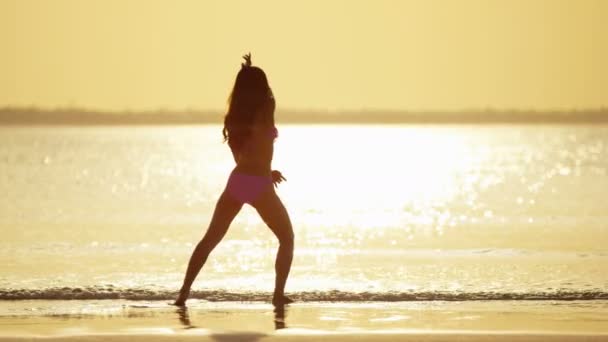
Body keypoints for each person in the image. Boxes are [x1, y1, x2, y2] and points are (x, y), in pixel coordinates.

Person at [174, 53, 294, 307]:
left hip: (239, 181)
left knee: (210, 239)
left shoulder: (234, 118)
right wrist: (265, 171)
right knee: (287, 238)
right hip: (259, 185)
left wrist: (267, 170)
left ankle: (183, 294)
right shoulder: (266, 108)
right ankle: (277, 295)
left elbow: (243, 157)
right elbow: (262, 146)